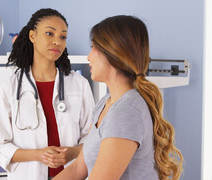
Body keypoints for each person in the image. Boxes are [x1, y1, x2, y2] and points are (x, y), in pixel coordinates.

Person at [53, 15, 183, 180]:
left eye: (94, 47)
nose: (89, 56)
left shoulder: (126, 111)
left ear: (113, 53)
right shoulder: (105, 104)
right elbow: (78, 168)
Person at [0, 8, 95, 180]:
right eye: (49, 33)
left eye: (63, 36)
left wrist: (72, 153)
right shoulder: (10, 87)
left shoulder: (79, 84)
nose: (57, 42)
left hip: (70, 175)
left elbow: (93, 137)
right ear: (32, 36)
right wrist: (38, 154)